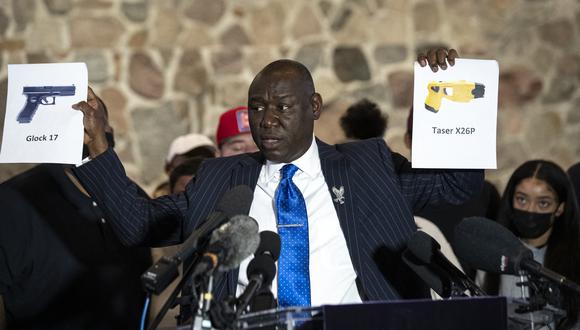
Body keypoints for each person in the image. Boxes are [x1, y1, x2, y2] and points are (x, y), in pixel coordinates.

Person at [72, 49, 483, 308]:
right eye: (257, 108)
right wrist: (100, 149)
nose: (267, 120)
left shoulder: (367, 166)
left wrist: (447, 99)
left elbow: (457, 185)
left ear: (314, 106)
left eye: (283, 107)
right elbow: (136, 223)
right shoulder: (221, 180)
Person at [0, 88, 151, 329]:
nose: (90, 134)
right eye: (80, 126)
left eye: (98, 124)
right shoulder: (13, 202)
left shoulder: (137, 200)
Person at [481, 160, 580, 329]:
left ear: (560, 208)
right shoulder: (492, 255)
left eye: (543, 203)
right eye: (522, 199)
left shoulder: (575, 259)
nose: (530, 209)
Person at [405, 107, 500, 278]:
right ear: (408, 139)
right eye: (427, 136)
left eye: (443, 134)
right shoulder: (399, 195)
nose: (435, 145)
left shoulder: (485, 194)